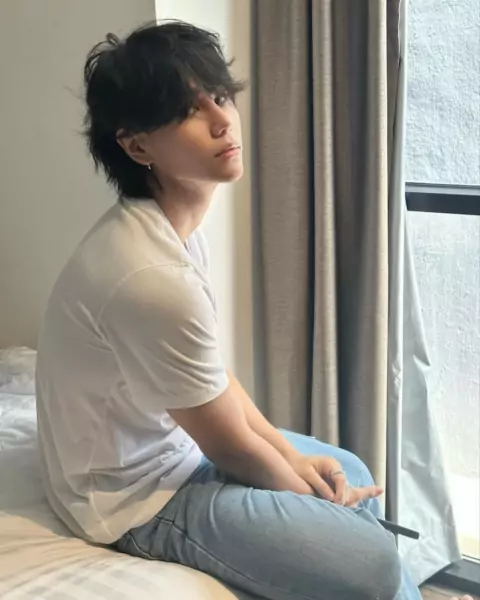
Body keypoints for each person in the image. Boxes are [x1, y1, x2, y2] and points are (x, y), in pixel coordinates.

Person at [35, 21, 471, 600]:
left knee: (350, 473)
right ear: (137, 146)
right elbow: (230, 447)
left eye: (220, 96)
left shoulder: (171, 233)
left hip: (177, 450)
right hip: (133, 498)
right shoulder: (150, 276)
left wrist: (293, 459)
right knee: (371, 562)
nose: (223, 121)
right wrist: (311, 499)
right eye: (188, 111)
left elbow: (214, 381)